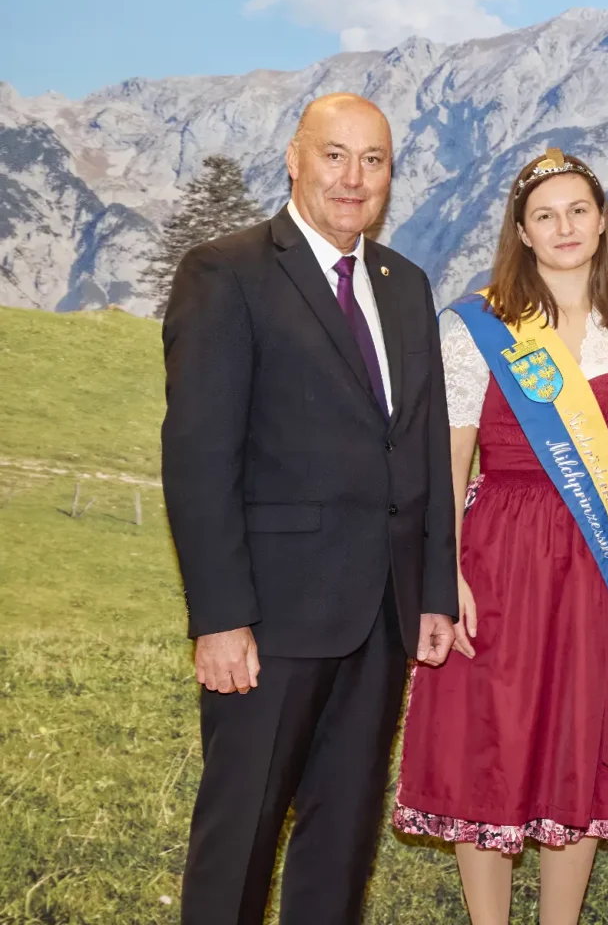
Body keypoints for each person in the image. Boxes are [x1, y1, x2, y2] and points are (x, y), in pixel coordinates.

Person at [163, 92, 458, 924]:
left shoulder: (405, 285)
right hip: (269, 624)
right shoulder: (227, 272)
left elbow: (425, 444)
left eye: (374, 161)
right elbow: (197, 460)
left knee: (341, 845)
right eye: (335, 155)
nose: (354, 178)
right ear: (293, 158)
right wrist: (219, 618)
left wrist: (434, 588)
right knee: (240, 842)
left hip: (382, 618)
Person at [392, 148, 608, 925]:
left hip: (598, 559)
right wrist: (444, 574)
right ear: (521, 230)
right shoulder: (478, 323)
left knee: (575, 741)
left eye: (578, 210)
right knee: (493, 734)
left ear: (602, 219)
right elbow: (449, 458)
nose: (564, 227)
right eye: (545, 215)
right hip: (502, 550)